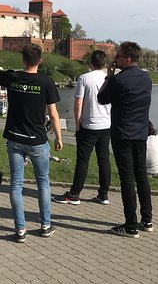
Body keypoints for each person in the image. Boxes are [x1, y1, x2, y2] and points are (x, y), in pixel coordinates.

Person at [0, 41, 63, 243]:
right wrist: (58, 137)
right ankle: (46, 225)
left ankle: (20, 229)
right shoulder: (46, 82)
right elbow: (54, 114)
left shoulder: (13, 77)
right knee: (43, 183)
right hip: (37, 140)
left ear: (23, 60)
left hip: (14, 137)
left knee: (16, 185)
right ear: (40, 60)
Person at [97, 41, 153, 239]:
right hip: (140, 134)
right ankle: (147, 219)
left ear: (127, 59)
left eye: (118, 56)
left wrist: (109, 77)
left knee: (127, 179)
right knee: (141, 176)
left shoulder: (118, 80)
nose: (115, 59)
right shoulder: (146, 78)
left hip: (122, 135)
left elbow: (101, 98)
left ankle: (130, 225)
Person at [54, 50, 111, 206]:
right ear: (104, 63)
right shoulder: (110, 79)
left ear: (90, 63)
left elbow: (78, 102)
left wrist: (77, 122)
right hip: (106, 125)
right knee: (104, 160)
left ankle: (74, 194)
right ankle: (104, 194)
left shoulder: (84, 78)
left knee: (83, 160)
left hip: (89, 125)